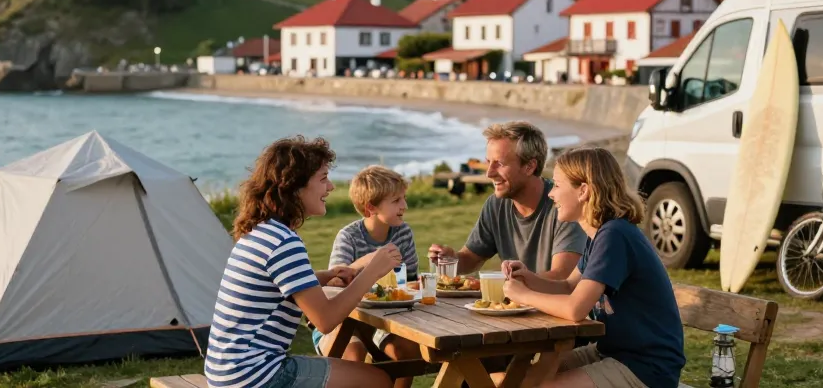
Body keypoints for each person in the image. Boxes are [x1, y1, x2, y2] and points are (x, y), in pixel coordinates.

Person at [204, 136, 400, 388]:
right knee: (377, 380)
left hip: (227, 371)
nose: (330, 187)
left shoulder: (261, 231)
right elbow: (325, 320)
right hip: (255, 374)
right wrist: (371, 272)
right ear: (294, 186)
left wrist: (324, 276)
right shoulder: (283, 242)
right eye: (323, 178)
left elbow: (273, 288)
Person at [500, 146, 686, 388]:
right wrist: (528, 278)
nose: (551, 194)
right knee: (519, 380)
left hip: (645, 367)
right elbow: (569, 287)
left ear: (583, 191)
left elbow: (575, 308)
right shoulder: (600, 234)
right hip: (611, 352)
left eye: (557, 185)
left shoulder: (615, 236)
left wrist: (524, 295)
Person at [428, 121, 587, 280]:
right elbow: (471, 259)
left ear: (529, 166)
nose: (489, 173)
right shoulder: (496, 205)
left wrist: (507, 284)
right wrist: (451, 259)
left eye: (499, 164)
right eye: (488, 162)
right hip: (518, 295)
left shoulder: (564, 205)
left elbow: (562, 277)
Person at [311, 165, 421, 388]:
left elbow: (410, 281)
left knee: (406, 352)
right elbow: (334, 284)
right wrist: (368, 262)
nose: (404, 205)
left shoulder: (403, 233)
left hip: (385, 321)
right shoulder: (349, 236)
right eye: (396, 200)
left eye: (404, 198)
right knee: (354, 354)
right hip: (343, 324)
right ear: (371, 207)